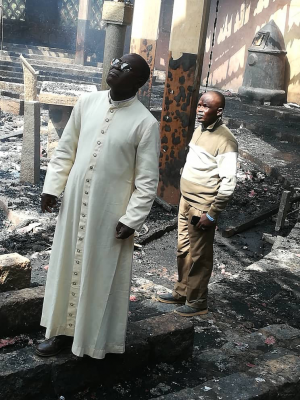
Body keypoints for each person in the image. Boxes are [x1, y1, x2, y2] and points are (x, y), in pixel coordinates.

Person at [36, 54, 160, 359]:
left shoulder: (145, 124)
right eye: (116, 62)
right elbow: (66, 150)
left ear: (139, 82)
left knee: (100, 274)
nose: (116, 67)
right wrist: (52, 187)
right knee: (66, 266)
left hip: (110, 211)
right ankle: (60, 333)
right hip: (76, 203)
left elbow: (147, 180)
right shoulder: (86, 103)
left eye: (126, 67)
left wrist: (132, 218)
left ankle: (93, 341)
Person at [158, 91, 238, 317]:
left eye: (206, 106)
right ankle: (182, 292)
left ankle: (197, 302)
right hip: (186, 202)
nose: (200, 110)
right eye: (200, 105)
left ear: (219, 111)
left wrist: (212, 214)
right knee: (183, 249)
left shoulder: (226, 140)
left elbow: (228, 183)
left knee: (199, 255)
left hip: (202, 207)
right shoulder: (199, 130)